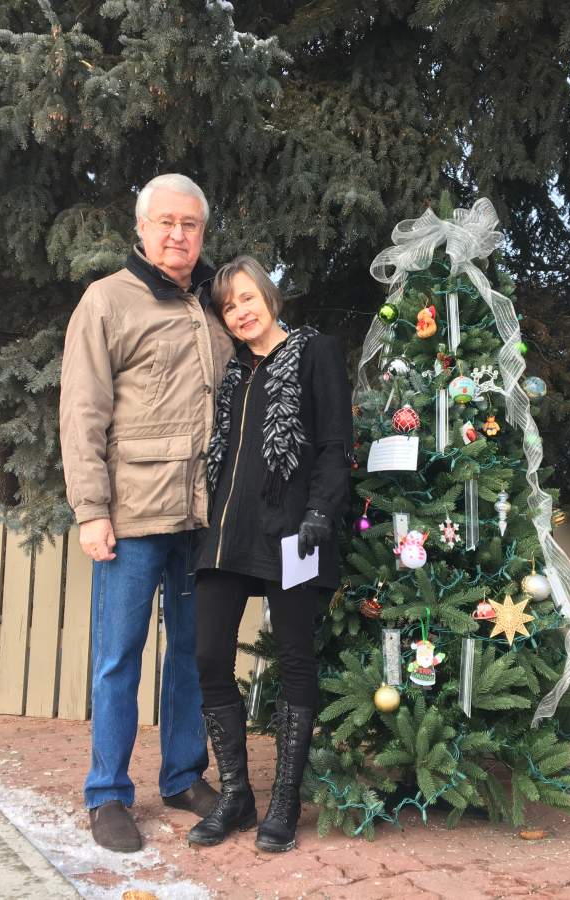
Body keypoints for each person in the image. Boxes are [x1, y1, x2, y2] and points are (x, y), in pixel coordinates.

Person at [60, 174, 234, 853]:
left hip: (202, 517)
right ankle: (107, 793)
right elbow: (83, 412)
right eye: (165, 222)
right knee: (118, 658)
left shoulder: (216, 305)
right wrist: (90, 509)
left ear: (202, 232)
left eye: (190, 224)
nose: (177, 235)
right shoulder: (106, 302)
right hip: (131, 517)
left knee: (193, 655)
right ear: (140, 229)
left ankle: (184, 776)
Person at [187, 256, 352, 852]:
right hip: (229, 535)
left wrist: (319, 512)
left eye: (247, 297)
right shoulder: (234, 374)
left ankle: (284, 801)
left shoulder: (315, 353)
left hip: (293, 532)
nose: (240, 312)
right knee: (207, 655)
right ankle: (237, 795)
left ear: (269, 296)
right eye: (228, 306)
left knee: (293, 658)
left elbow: (336, 444)